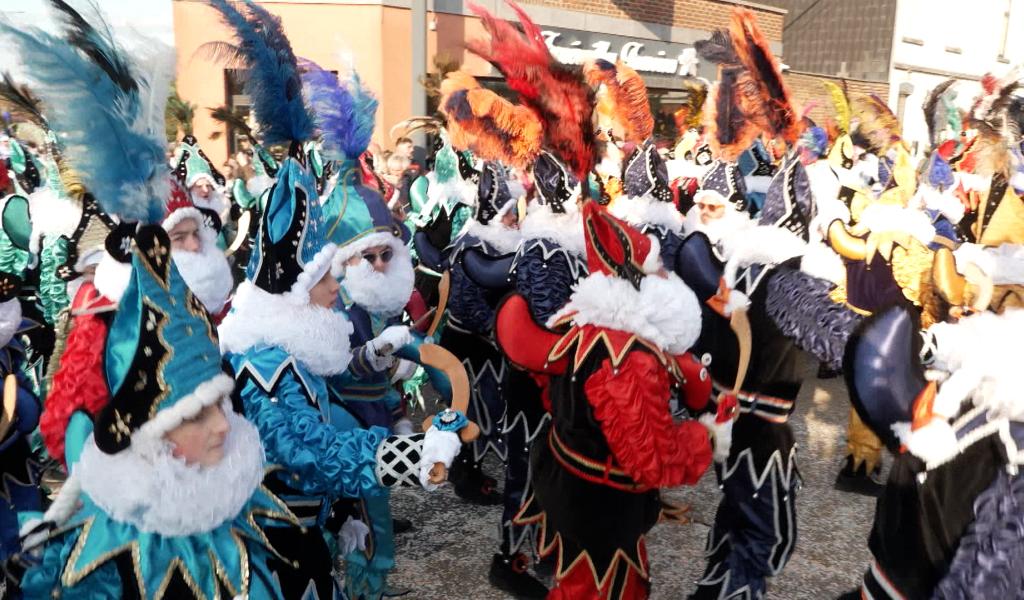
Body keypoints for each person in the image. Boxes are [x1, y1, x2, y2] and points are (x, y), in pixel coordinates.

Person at [208, 4, 468, 597]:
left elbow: (323, 414)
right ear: (297, 288)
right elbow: (310, 447)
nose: (336, 289)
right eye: (326, 279)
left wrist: (344, 508)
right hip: (274, 557)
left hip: (309, 531)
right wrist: (412, 455)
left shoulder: (290, 344)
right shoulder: (265, 363)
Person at [496, 201, 724, 599]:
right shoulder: (630, 358)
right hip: (600, 505)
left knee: (579, 582)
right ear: (639, 283)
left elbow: (556, 398)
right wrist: (705, 437)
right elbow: (652, 458)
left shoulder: (578, 322)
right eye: (659, 270)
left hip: (566, 483)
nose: (667, 275)